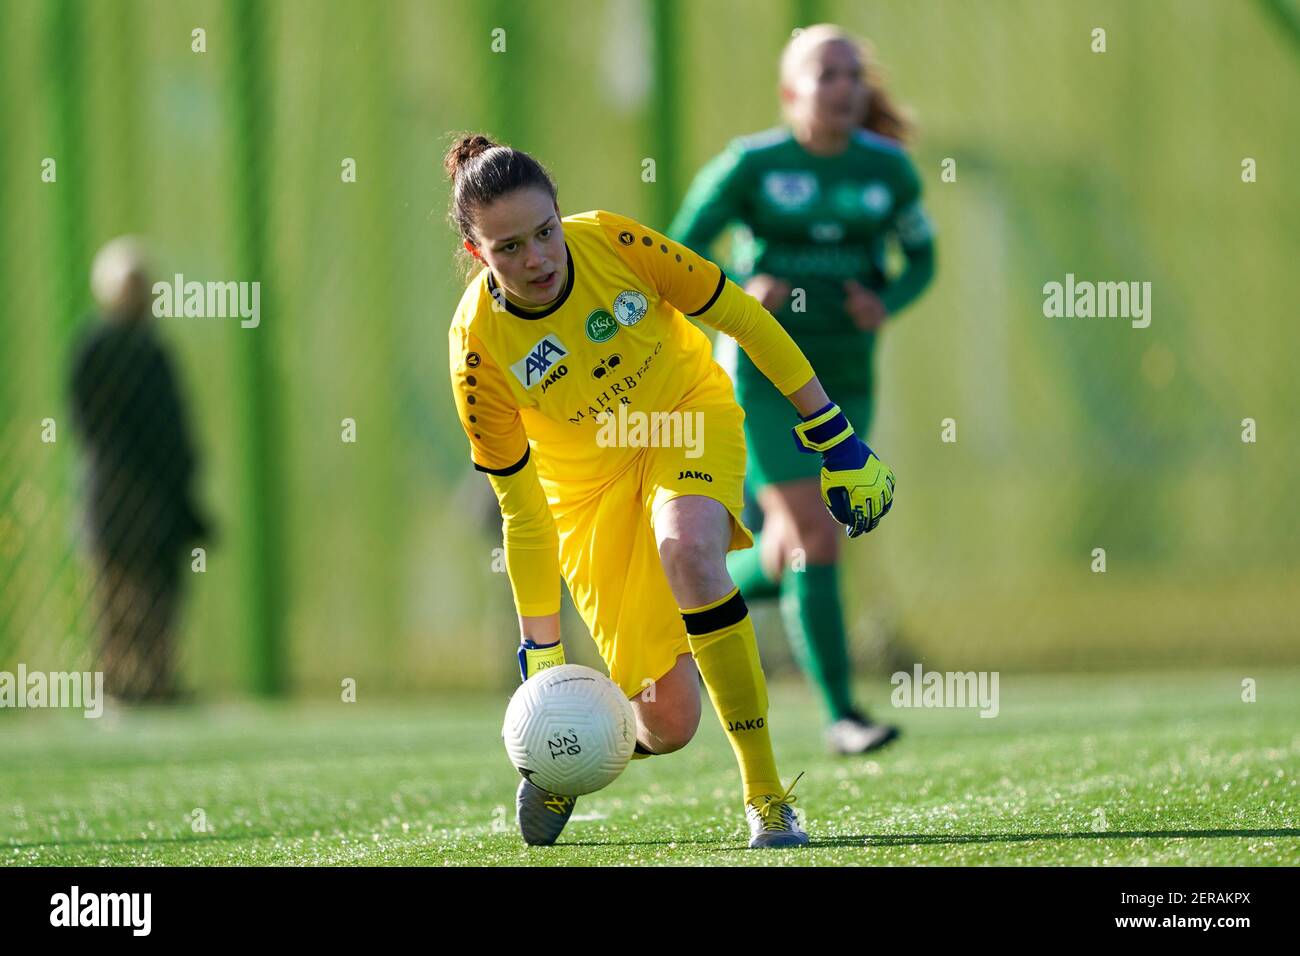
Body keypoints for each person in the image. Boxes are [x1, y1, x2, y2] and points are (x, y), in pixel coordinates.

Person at [445, 134, 896, 848]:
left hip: (684, 415)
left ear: (562, 216)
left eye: (544, 233)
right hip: (587, 492)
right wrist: (543, 655)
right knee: (669, 722)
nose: (535, 259)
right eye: (507, 248)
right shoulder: (477, 349)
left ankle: (767, 798)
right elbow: (523, 511)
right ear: (478, 255)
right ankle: (571, 761)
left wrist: (833, 433)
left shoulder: (617, 242)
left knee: (690, 552)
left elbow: (743, 317)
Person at [669, 24, 935, 755]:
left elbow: (921, 257)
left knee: (793, 545)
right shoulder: (751, 166)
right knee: (821, 532)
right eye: (828, 75)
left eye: (854, 74)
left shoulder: (889, 171)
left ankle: (688, 582)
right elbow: (677, 249)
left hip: (847, 375)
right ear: (791, 94)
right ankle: (843, 716)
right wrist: (734, 292)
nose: (846, 87)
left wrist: (887, 299)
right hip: (762, 375)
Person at [69, 236, 211, 702]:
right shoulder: (107, 351)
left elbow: (174, 431)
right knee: (115, 599)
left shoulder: (150, 353)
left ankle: (152, 680)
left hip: (142, 505)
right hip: (119, 502)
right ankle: (118, 682)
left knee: (155, 599)